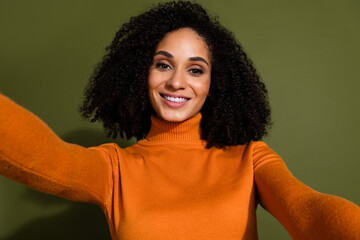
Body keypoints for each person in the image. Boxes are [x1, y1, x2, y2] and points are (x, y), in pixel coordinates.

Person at [0, 1, 359, 239]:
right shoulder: (114, 168)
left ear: (213, 83)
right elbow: (45, 156)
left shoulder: (250, 159)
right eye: (163, 64)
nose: (176, 82)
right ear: (141, 73)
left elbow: (310, 213)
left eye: (196, 69)